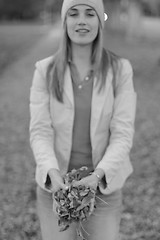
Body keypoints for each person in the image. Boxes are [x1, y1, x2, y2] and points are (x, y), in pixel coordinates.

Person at [29, 0, 137, 239]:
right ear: (64, 21)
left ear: (99, 22)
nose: (81, 21)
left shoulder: (120, 70)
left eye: (90, 14)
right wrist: (52, 172)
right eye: (73, 14)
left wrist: (97, 175)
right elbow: (40, 131)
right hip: (55, 186)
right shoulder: (44, 70)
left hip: (103, 186)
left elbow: (122, 133)